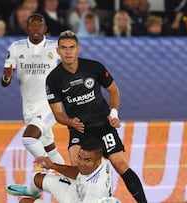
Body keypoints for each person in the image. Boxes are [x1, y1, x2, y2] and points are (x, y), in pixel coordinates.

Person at [45, 30, 147, 203]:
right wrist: (71, 122)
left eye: (71, 47)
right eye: (64, 48)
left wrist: (113, 114)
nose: (68, 51)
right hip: (80, 129)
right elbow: (57, 114)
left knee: (120, 164)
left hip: (103, 124)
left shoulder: (94, 67)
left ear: (78, 49)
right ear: (57, 51)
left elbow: (113, 91)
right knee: (80, 168)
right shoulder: (54, 79)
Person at [1, 13, 65, 168]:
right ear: (26, 28)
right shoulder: (16, 48)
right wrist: (6, 78)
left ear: (45, 29)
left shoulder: (55, 47)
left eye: (40, 25)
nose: (36, 28)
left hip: (50, 107)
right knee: (50, 147)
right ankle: (67, 178)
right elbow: (5, 82)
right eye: (32, 25)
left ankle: (50, 170)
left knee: (29, 139)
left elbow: (71, 70)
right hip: (29, 109)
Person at [6, 138, 116, 203]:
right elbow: (77, 172)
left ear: (97, 161)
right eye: (79, 157)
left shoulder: (95, 190)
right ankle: (30, 192)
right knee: (37, 178)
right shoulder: (99, 162)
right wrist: (53, 166)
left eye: (87, 160)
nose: (81, 163)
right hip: (77, 189)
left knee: (24, 202)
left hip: (79, 200)